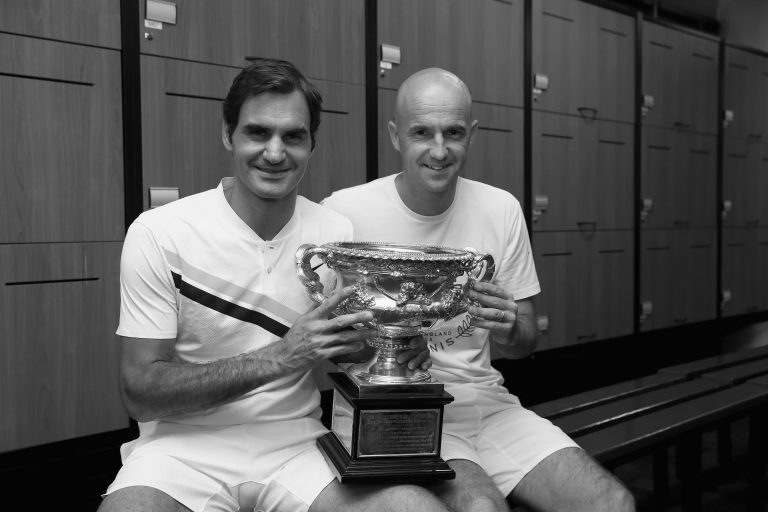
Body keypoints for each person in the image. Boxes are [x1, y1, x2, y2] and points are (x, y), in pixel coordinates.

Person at [97, 58, 456, 512]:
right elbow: (139, 392)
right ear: (229, 134)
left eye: (292, 136)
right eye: (257, 132)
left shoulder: (335, 236)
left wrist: (388, 353)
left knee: (416, 508)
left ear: (311, 144)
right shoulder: (161, 232)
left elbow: (348, 352)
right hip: (180, 450)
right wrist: (282, 356)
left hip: (296, 446)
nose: (274, 152)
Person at [322, 68, 636, 512]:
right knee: (482, 508)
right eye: (421, 133)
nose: (438, 150)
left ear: (471, 135)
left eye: (452, 133)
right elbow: (327, 343)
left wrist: (510, 328)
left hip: (488, 402)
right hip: (400, 407)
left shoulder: (501, 208)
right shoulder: (346, 213)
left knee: (613, 503)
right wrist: (380, 349)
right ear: (395, 136)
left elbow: (526, 341)